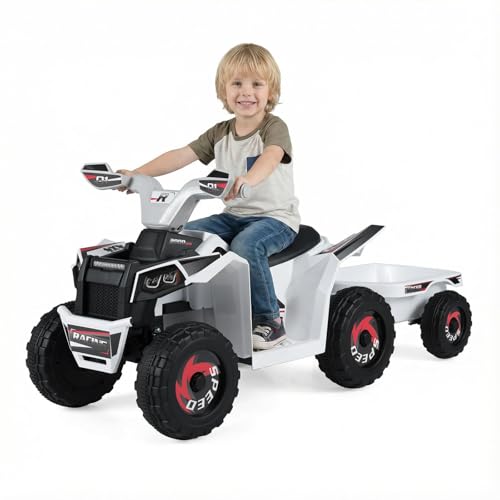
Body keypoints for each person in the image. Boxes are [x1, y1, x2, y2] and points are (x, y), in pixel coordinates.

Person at [118, 43, 300, 350]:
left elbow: (272, 156)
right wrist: (137, 174)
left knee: (246, 246)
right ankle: (175, 312)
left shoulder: (273, 127)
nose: (246, 92)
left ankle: (270, 319)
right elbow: (181, 155)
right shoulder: (220, 133)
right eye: (237, 83)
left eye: (257, 84)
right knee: (181, 237)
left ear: (271, 91)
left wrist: (248, 179)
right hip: (233, 216)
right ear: (223, 91)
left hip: (276, 219)